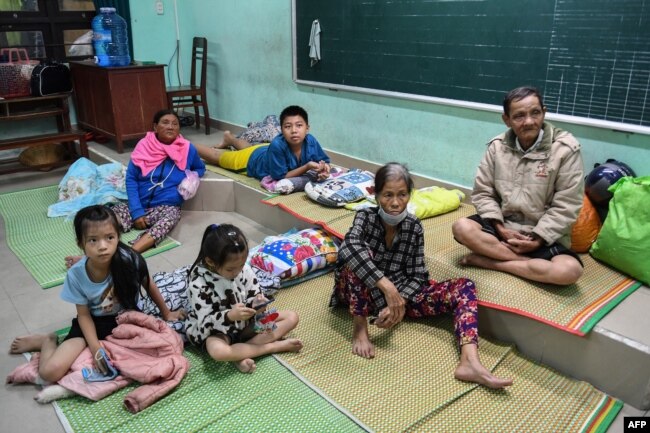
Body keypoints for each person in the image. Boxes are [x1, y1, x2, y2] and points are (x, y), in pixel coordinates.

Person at [331, 163, 512, 389]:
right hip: (361, 296)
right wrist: (387, 287)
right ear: (375, 195)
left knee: (464, 286)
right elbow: (347, 248)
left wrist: (399, 302)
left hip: (399, 300)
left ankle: (469, 361)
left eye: (402, 194)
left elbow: (418, 276)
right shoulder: (365, 218)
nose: (395, 203)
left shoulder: (413, 226)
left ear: (410, 195)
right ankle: (359, 330)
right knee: (358, 258)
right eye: (387, 195)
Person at [9, 205, 186, 384]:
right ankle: (48, 340)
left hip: (125, 320)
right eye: (93, 240)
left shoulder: (128, 259)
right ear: (81, 243)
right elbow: (83, 315)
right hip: (91, 324)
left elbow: (149, 284)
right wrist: (95, 348)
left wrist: (167, 313)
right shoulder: (76, 274)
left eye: (109, 238)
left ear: (118, 237)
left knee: (164, 351)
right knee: (49, 374)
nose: (103, 246)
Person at [452, 86, 584, 285]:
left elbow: (567, 205)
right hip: (503, 227)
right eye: (519, 116)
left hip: (544, 235)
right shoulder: (497, 147)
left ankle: (492, 262)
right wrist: (500, 227)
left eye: (535, 113)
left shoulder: (565, 150)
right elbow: (483, 192)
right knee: (462, 227)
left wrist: (538, 239)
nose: (529, 121)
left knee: (569, 272)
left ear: (544, 112)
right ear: (507, 120)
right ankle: (528, 265)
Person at [65, 109, 206, 268]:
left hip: (165, 206)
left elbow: (200, 168)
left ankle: (126, 256)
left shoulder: (187, 149)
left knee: (171, 217)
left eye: (175, 124)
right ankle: (88, 257)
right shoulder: (144, 146)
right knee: (108, 218)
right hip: (137, 204)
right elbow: (131, 179)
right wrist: (136, 211)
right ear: (155, 127)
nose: (171, 127)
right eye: (165, 122)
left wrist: (191, 179)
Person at [185, 224, 303, 373]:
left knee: (291, 317)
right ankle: (272, 347)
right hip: (220, 333)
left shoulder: (243, 269)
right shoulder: (198, 284)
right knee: (218, 351)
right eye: (230, 269)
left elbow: (254, 293)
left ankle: (239, 355)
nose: (237, 271)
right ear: (210, 262)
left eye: (241, 265)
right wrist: (229, 316)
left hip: (247, 326)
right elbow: (205, 323)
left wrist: (258, 303)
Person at [195, 105, 331, 181]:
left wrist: (324, 169)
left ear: (307, 128)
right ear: (281, 130)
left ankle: (229, 139)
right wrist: (307, 167)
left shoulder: (310, 140)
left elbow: (324, 161)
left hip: (264, 150)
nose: (294, 131)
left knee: (249, 147)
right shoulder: (278, 145)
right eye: (288, 126)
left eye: (299, 125)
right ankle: (186, 143)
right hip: (251, 161)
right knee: (217, 157)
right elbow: (281, 177)